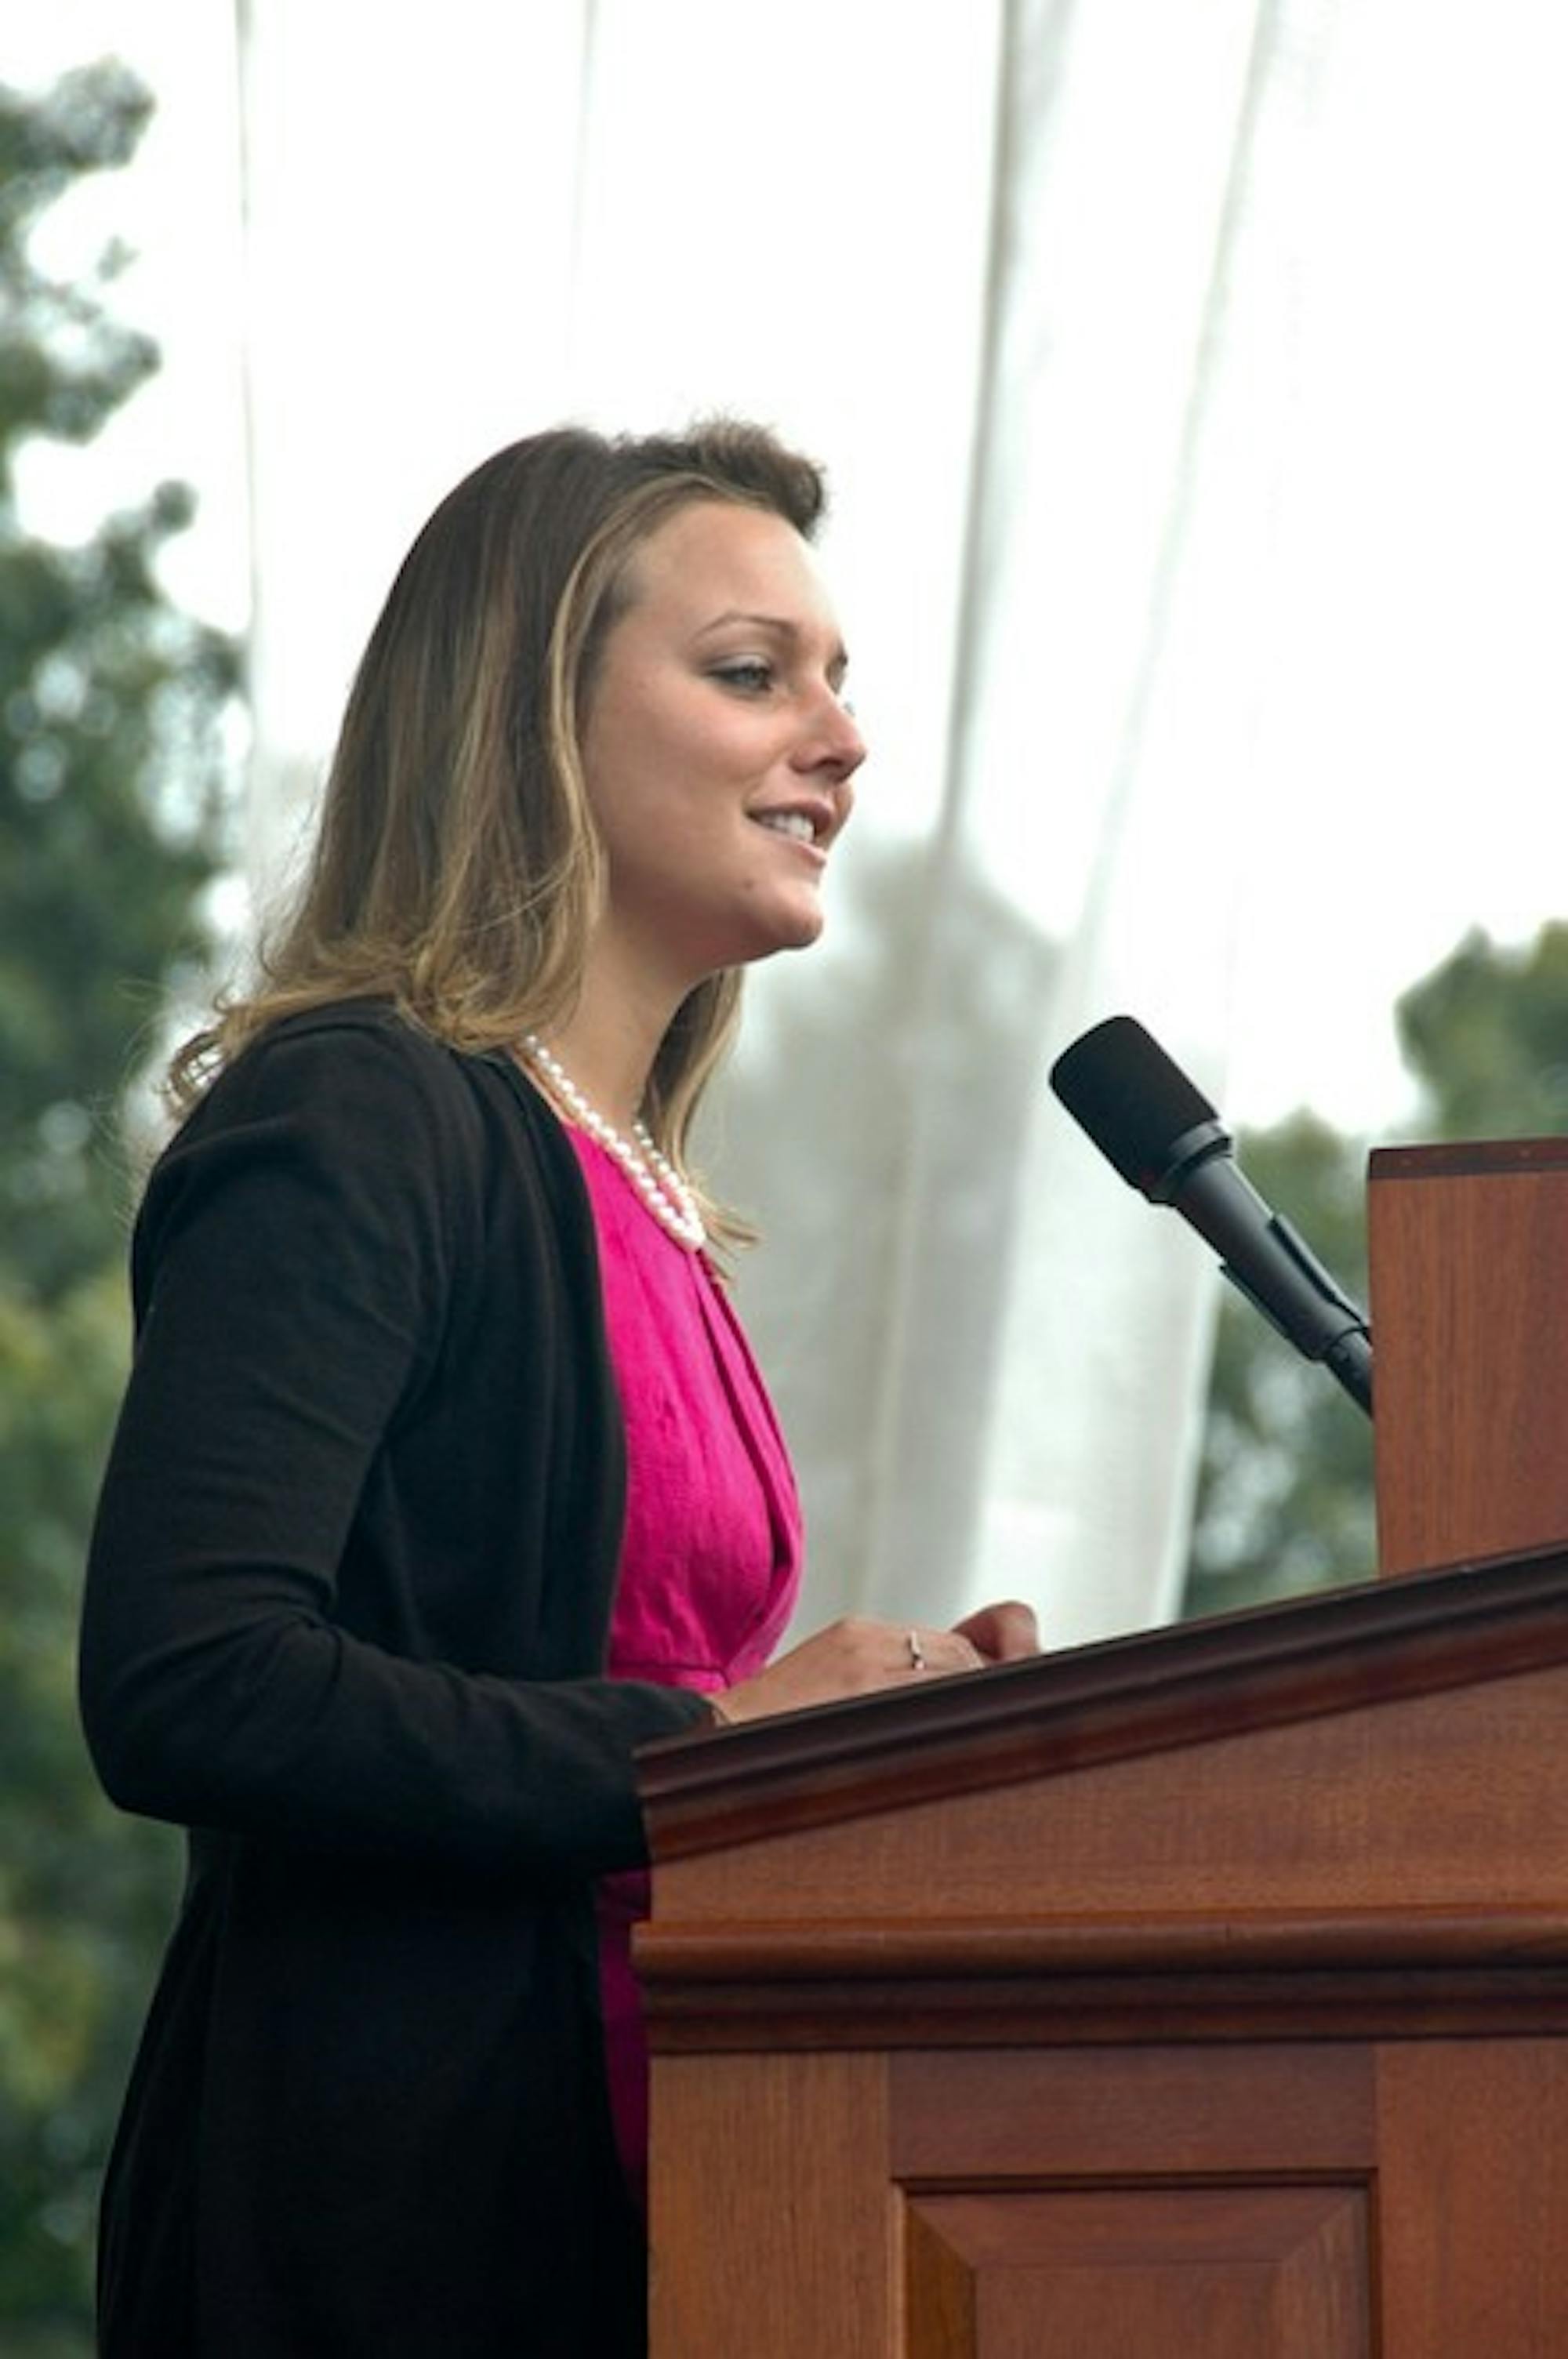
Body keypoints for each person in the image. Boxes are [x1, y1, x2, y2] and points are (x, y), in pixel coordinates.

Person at [79, 419, 1040, 2358]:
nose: (840, 742)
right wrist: (718, 1744)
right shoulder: (360, 1114)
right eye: (752, 671)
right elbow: (189, 1676)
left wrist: (900, 1732)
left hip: (688, 2186)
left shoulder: (650, 1194)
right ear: (533, 717)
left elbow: (631, 1680)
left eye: (841, 682)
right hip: (402, 2222)